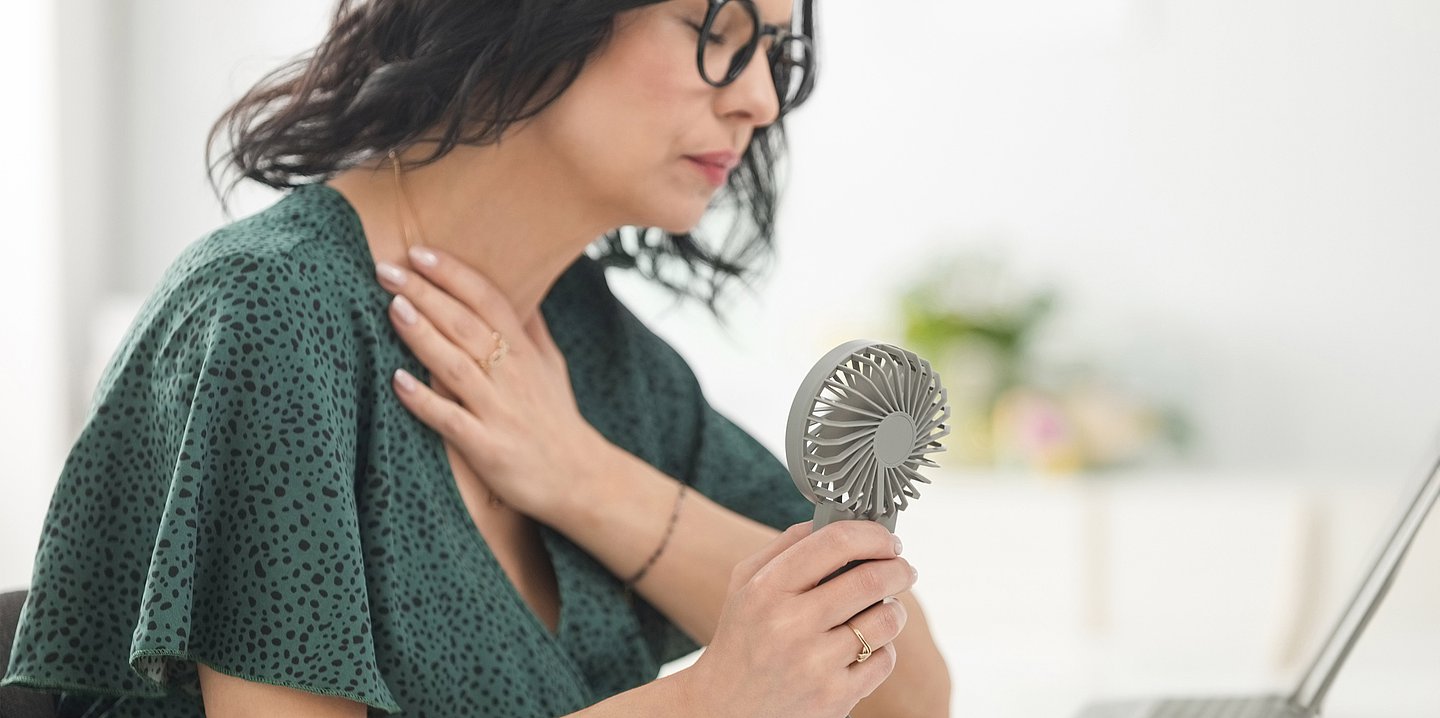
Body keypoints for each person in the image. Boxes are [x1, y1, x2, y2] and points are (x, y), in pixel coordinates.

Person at [1, 0, 952, 715]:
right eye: (715, 27)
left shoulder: (591, 357)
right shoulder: (266, 318)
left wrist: (586, 479)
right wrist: (712, 699)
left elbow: (911, 696)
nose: (760, 96)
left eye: (773, 50)